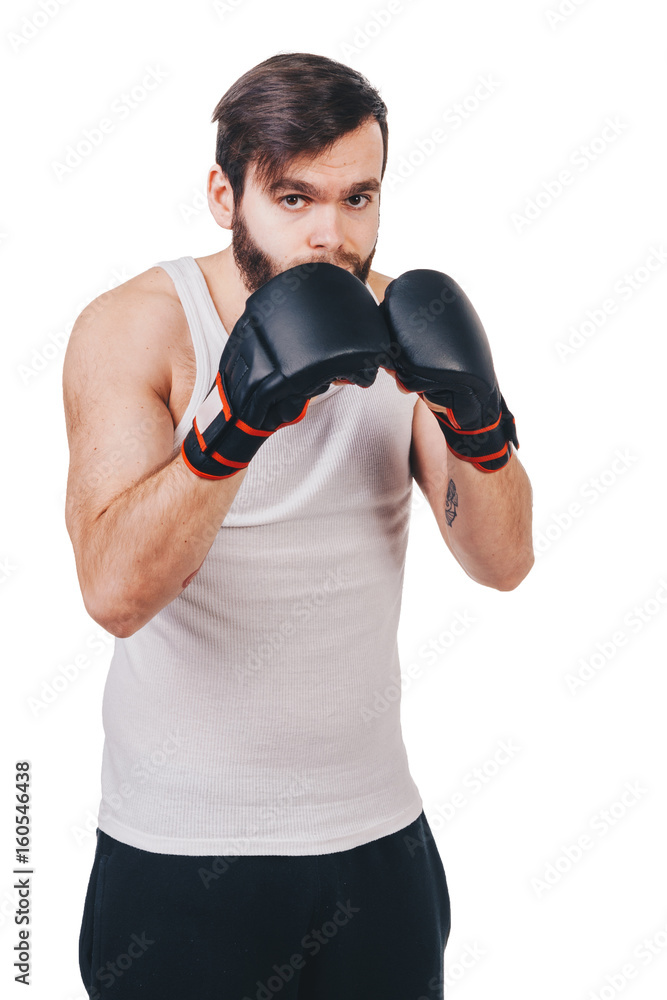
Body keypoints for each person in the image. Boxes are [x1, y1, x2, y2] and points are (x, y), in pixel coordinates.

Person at [63, 51, 534, 1000]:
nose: (330, 232)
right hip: (178, 850)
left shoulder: (403, 325)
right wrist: (231, 427)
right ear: (223, 194)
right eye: (294, 196)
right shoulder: (141, 327)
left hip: (374, 844)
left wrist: (478, 431)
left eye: (358, 197)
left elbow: (503, 561)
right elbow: (113, 595)